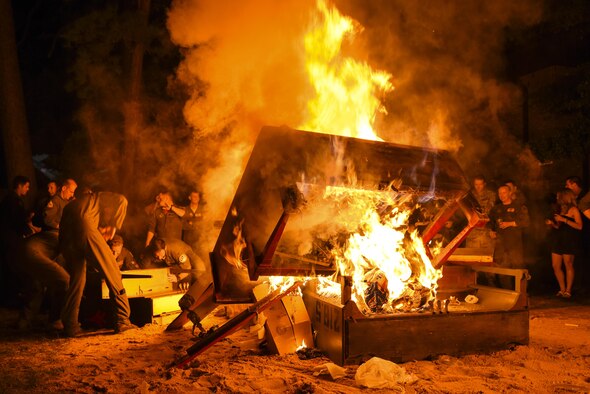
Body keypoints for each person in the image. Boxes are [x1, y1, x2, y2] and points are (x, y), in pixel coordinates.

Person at [59, 189, 136, 336]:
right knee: (111, 269)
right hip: (85, 228)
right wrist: (114, 225)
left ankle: (70, 325)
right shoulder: (97, 196)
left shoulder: (72, 205)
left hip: (66, 237)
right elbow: (122, 200)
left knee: (77, 279)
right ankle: (122, 319)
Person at [488, 185, 530, 288]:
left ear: (510, 193)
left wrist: (510, 223)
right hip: (501, 246)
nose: (502, 195)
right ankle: (507, 294)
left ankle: (520, 294)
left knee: (518, 270)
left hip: (515, 245)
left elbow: (526, 222)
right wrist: (491, 231)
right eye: (500, 193)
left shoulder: (519, 207)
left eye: (504, 192)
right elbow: (490, 223)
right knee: (503, 272)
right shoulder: (496, 209)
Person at [545, 188, 582, 298]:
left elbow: (579, 226)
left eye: (558, 196)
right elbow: (558, 227)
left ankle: (568, 290)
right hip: (558, 239)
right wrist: (552, 224)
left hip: (569, 240)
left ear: (564, 197)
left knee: (568, 264)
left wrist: (564, 219)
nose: (557, 198)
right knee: (555, 265)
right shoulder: (560, 209)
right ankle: (562, 289)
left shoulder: (574, 210)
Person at [465, 175, 496, 250]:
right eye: (476, 184)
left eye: (480, 184)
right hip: (472, 232)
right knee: (471, 256)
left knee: (486, 257)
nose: (478, 187)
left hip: (486, 231)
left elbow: (489, 211)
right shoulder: (468, 195)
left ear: (484, 184)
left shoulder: (491, 195)